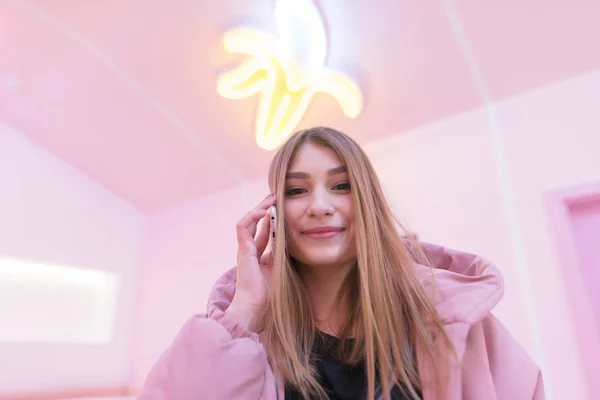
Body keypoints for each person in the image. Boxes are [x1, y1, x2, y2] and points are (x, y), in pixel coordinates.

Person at [137, 127, 545, 400]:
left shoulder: (453, 313)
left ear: (367, 200)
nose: (319, 206)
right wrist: (244, 308)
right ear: (274, 212)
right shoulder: (250, 336)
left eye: (341, 186)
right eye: (297, 190)